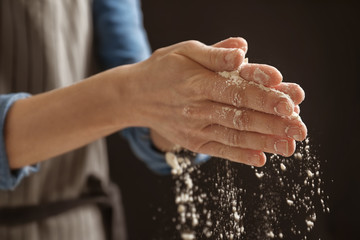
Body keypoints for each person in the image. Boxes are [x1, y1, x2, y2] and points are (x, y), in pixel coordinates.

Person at [0, 0, 307, 239]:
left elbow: (138, 79)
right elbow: (135, 88)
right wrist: (131, 95)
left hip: (77, 227)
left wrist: (182, 112)